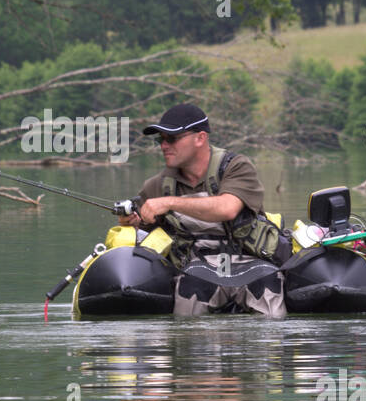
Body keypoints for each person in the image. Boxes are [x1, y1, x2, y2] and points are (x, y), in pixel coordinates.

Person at [119, 104, 288, 316]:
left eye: (171, 139)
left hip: (251, 264)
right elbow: (144, 231)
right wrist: (132, 222)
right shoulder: (156, 186)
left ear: (200, 138)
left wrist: (168, 203)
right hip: (195, 271)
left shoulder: (237, 167)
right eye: (160, 140)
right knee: (189, 293)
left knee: (268, 293)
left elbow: (227, 208)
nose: (163, 146)